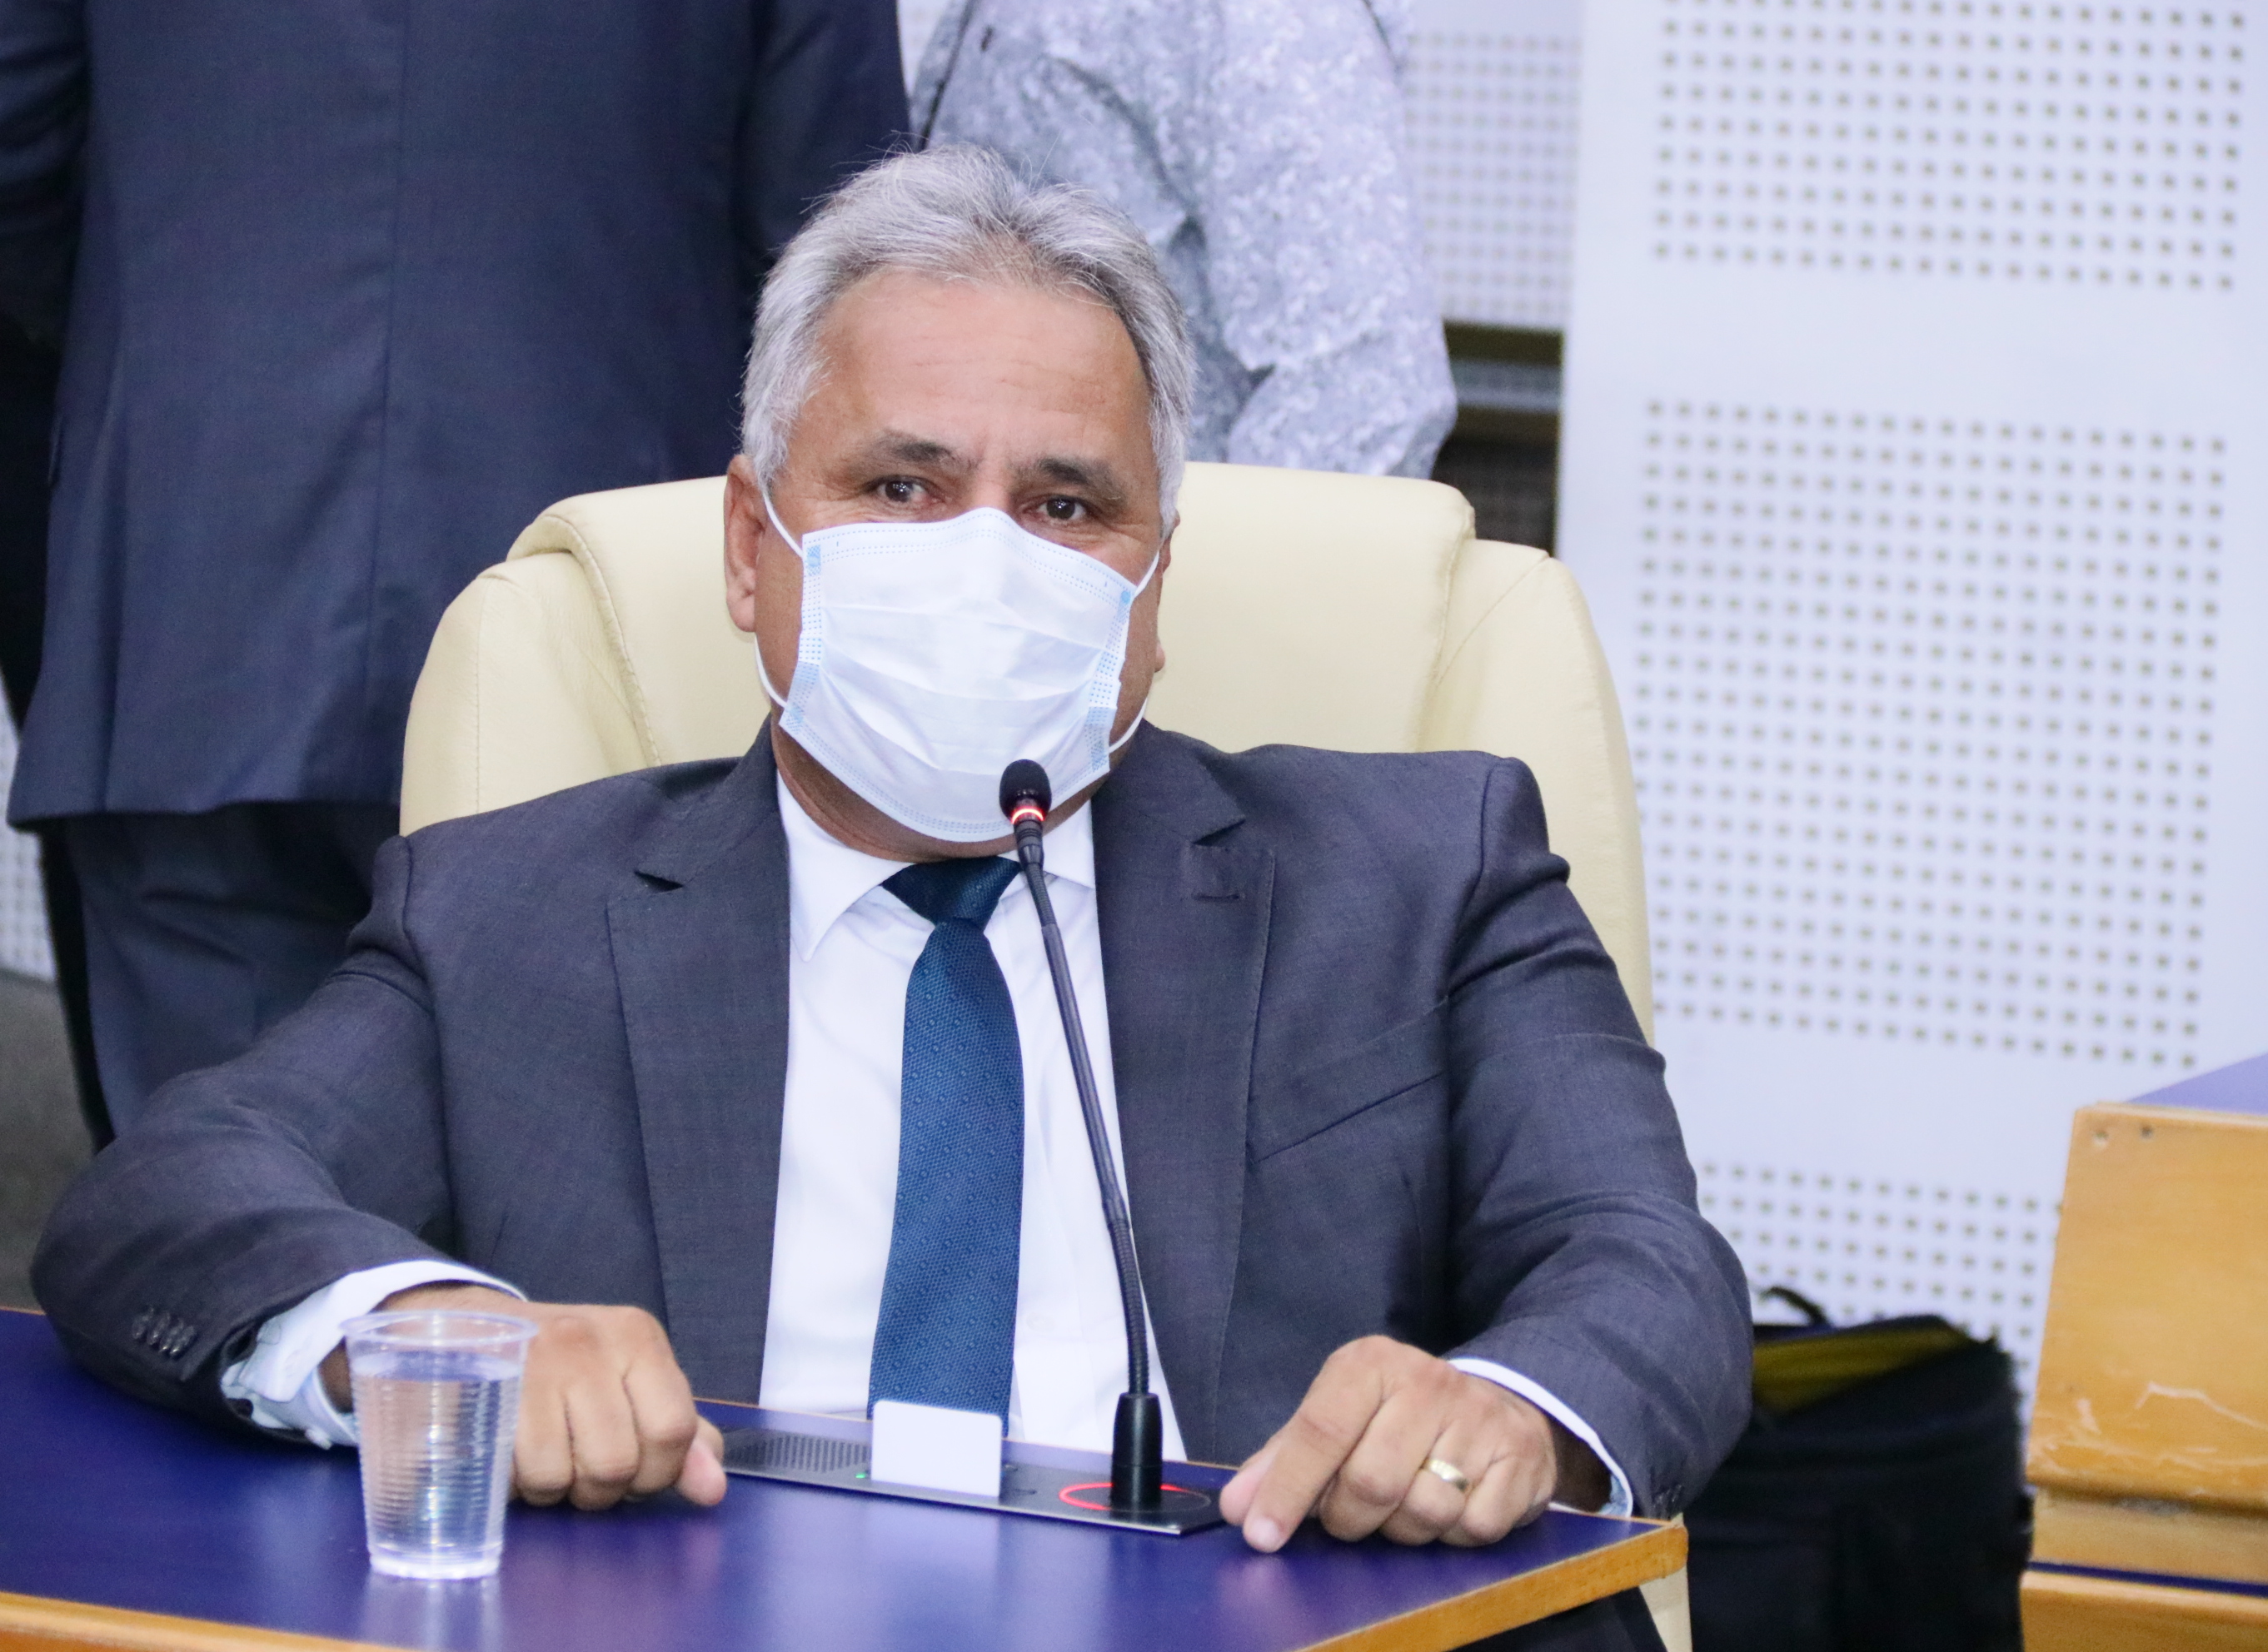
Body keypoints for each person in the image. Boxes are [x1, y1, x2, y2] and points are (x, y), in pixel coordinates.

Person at [35, 148, 1746, 1652]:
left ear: (1155, 586)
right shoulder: (513, 910)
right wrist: (426, 1331)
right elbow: (170, 1196)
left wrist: (1502, 1407)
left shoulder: (1426, 870)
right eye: (902, 486)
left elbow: (1645, 1265)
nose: (981, 557)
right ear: (748, 547)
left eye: (1066, 503)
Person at [0, 0, 910, 1136]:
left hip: (202, 569)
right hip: (595, 591)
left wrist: (176, 351)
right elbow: (837, 244)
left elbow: (18, 150)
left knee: (221, 1182)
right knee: (566, 1183)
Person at [912, 0, 1457, 480]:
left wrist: (1209, 560)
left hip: (1146, 546)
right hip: (1026, 525)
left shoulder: (1259, 16)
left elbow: (1368, 380)